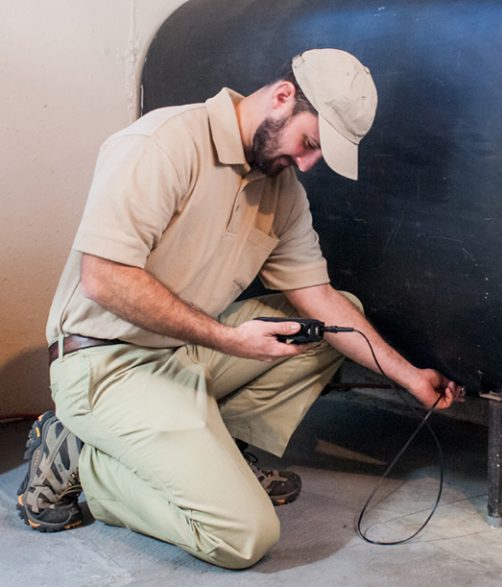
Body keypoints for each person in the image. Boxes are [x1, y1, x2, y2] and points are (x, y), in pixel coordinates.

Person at [17, 48, 461, 569]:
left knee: (330, 322)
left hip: (183, 352)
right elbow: (104, 280)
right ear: (281, 97)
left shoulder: (283, 192)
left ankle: (220, 452)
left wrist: (410, 378)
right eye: (311, 143)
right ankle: (83, 458)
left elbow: (319, 296)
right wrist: (229, 339)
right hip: (105, 363)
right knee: (243, 536)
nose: (308, 163)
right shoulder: (162, 144)